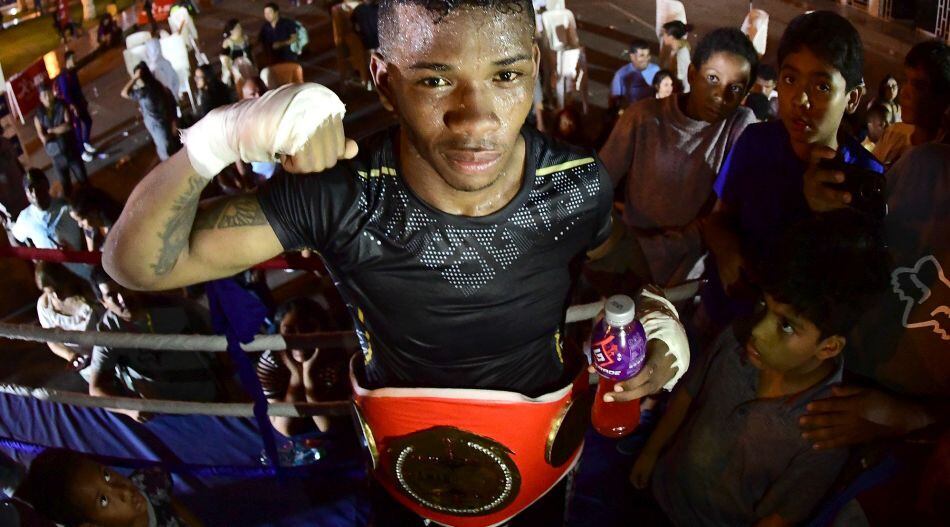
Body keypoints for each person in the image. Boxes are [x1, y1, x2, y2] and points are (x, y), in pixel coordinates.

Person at [103, 1, 691, 524]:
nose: (476, 118)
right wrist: (218, 138)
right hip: (403, 483)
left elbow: (620, 262)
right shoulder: (343, 195)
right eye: (435, 80)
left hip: (540, 480)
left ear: (534, 68)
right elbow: (138, 265)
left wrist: (652, 307)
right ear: (384, 82)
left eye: (506, 76)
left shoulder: (574, 185)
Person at [633, 210, 891, 527]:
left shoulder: (823, 430)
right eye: (763, 305)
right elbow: (688, 394)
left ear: (829, 347)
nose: (757, 330)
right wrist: (652, 451)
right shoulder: (734, 340)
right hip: (663, 491)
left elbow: (777, 518)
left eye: (786, 325)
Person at [701, 11, 882, 335]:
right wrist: (727, 252)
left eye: (822, 86)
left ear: (853, 98)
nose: (800, 99)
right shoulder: (756, 142)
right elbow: (718, 218)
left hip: (787, 347)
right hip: (725, 316)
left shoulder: (864, 180)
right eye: (789, 79)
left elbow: (847, 291)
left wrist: (824, 220)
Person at [600, 28, 758, 288]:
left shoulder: (740, 126)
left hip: (688, 274)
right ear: (692, 74)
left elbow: (723, 213)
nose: (721, 95)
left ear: (745, 96)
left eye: (735, 88)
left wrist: (672, 246)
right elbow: (597, 185)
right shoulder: (643, 117)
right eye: (712, 78)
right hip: (631, 259)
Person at [85, 269, 222, 423]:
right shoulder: (108, 330)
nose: (122, 298)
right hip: (161, 416)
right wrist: (129, 409)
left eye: (123, 287)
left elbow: (221, 344)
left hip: (206, 402)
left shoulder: (175, 305)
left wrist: (231, 387)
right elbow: (96, 389)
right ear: (103, 302)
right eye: (112, 295)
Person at [16, 448, 202, 526]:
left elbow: (174, 505)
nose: (123, 490)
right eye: (103, 500)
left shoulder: (151, 483)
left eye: (106, 475)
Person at [257, 298, 349, 436]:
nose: (299, 338)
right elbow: (286, 428)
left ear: (323, 328)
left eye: (307, 328)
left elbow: (327, 426)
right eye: (289, 331)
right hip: (298, 423)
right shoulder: (271, 360)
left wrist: (308, 373)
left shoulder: (337, 351)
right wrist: (297, 375)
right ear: (279, 334)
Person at [873, 41, 949, 168]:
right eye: (906, 81)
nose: (904, 92)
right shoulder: (894, 134)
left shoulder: (943, 158)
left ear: (942, 96)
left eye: (918, 86)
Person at [3, 170, 88, 278]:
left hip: (82, 271)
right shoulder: (25, 218)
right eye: (30, 190)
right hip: (56, 278)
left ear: (46, 185)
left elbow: (88, 230)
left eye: (38, 186)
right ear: (26, 194)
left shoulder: (66, 207)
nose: (35, 193)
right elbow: (16, 237)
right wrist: (34, 257)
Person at [34, 261, 99, 370]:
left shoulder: (89, 296)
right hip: (86, 365)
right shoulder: (44, 306)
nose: (56, 296)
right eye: (50, 292)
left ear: (66, 280)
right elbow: (52, 341)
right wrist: (71, 356)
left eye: (58, 289)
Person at [34, 84, 88, 197]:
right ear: (40, 98)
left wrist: (51, 131)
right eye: (44, 95)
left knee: (83, 180)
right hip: (56, 156)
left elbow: (68, 125)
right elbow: (43, 137)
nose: (47, 97)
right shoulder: (39, 115)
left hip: (71, 150)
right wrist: (58, 130)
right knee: (66, 187)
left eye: (49, 93)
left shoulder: (62, 105)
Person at [121, 62, 180, 161]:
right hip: (166, 126)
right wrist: (174, 121)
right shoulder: (161, 87)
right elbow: (173, 103)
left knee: (167, 156)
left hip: (158, 129)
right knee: (172, 151)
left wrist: (135, 78)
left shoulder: (144, 92)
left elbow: (124, 93)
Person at [55, 51, 98, 163]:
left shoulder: (73, 72)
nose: (75, 60)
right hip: (71, 107)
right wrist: (73, 107)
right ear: (68, 60)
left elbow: (77, 88)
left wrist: (83, 100)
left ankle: (86, 142)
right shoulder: (63, 76)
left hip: (79, 103)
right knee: (77, 128)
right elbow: (66, 94)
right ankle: (82, 152)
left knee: (88, 121)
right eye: (73, 58)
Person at [610, 38, 660, 109]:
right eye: (642, 55)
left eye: (648, 55)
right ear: (632, 57)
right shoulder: (620, 74)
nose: (646, 59)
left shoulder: (656, 70)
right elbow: (615, 100)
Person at [68, 185, 121, 251]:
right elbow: (92, 253)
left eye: (81, 220)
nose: (80, 225)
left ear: (93, 212)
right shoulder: (93, 226)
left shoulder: (117, 230)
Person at [219, 18, 255, 86]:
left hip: (247, 66)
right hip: (236, 68)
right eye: (237, 28)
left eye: (240, 27)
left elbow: (250, 53)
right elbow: (224, 58)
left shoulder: (245, 38)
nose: (240, 29)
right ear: (231, 31)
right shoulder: (228, 42)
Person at [660, 20, 691, 93]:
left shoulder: (681, 54)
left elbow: (680, 78)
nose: (662, 36)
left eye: (664, 34)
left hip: (683, 91)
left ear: (671, 37)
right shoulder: (676, 49)